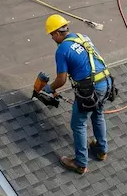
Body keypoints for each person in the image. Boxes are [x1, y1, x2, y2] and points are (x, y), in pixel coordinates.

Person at [44, 14, 113, 174]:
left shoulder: (62, 50)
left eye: (51, 35)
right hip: (106, 82)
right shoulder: (83, 37)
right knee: (97, 114)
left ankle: (81, 163)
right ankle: (101, 150)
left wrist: (49, 89)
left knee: (78, 124)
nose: (52, 38)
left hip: (90, 89)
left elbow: (61, 80)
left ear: (56, 33)